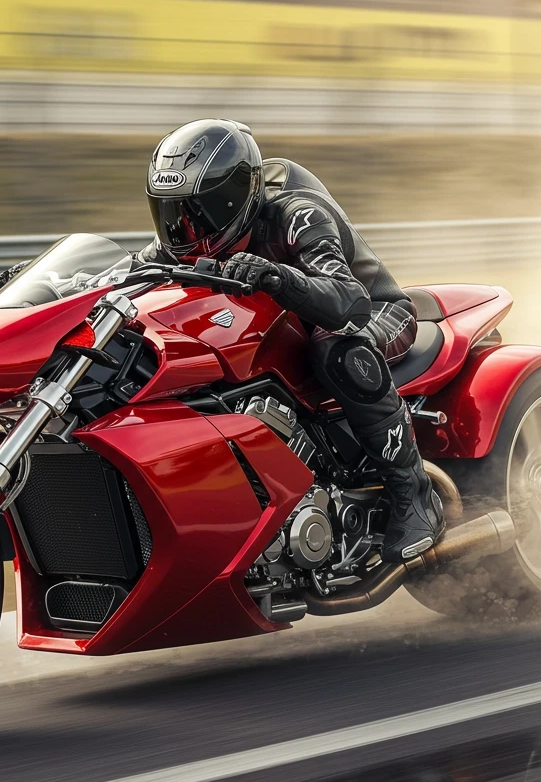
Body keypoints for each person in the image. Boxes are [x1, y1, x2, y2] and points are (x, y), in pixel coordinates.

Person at [141, 117, 444, 563]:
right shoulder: (185, 239)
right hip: (295, 321)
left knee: (339, 350)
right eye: (172, 213)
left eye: (197, 211)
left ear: (233, 198)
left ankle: (412, 494)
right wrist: (67, 284)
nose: (183, 228)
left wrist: (276, 276)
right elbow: (136, 270)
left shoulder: (298, 215)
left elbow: (348, 301)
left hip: (377, 313)